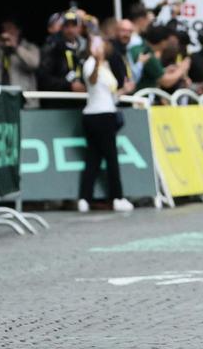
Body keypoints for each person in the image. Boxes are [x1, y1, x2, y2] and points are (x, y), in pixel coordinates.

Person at [77, 36, 133, 213]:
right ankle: (117, 197)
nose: (100, 47)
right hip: (97, 116)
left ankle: (85, 198)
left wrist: (125, 90)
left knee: (94, 157)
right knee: (110, 158)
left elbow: (109, 96)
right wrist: (96, 62)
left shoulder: (106, 66)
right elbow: (92, 81)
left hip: (107, 112)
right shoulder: (89, 63)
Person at [37, 11, 88, 107]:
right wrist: (69, 85)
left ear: (79, 28)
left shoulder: (85, 48)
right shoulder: (52, 48)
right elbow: (43, 79)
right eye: (67, 26)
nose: (70, 30)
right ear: (61, 28)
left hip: (82, 103)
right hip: (59, 104)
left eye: (73, 26)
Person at [0, 19, 40, 100]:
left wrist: (15, 47)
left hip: (24, 100)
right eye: (4, 29)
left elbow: (34, 64)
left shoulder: (29, 47)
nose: (6, 32)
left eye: (9, 28)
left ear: (18, 30)